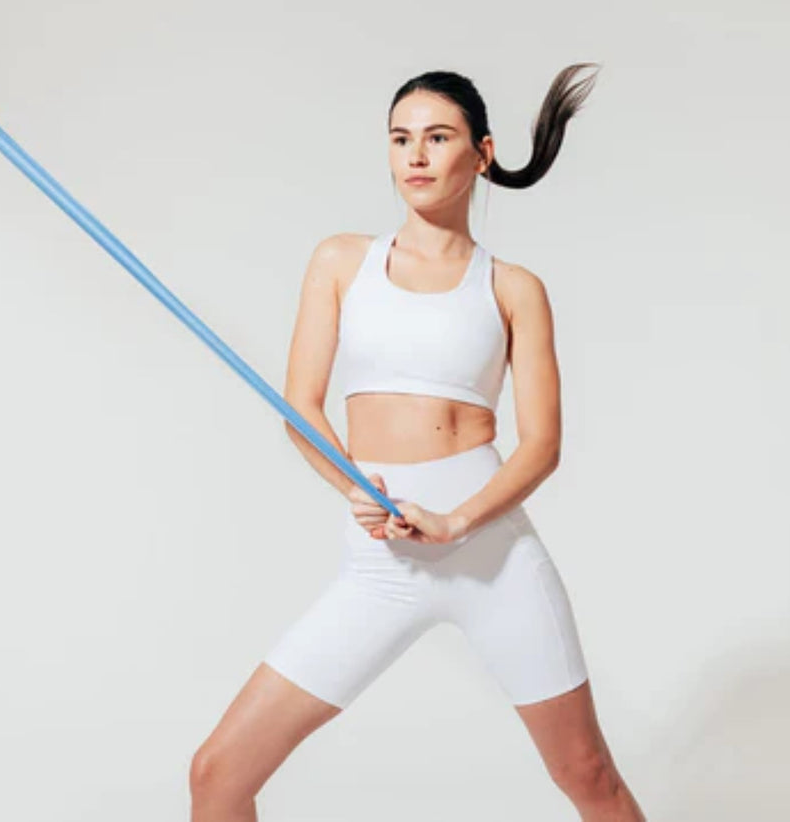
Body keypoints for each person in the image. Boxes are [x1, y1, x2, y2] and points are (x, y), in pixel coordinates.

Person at [189, 64, 647, 822]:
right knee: (218, 774)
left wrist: (455, 521)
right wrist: (355, 492)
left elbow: (542, 446)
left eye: (439, 138)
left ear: (483, 152)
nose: (417, 156)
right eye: (402, 139)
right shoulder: (342, 261)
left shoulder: (513, 288)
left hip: (490, 556)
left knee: (589, 775)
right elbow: (300, 408)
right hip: (382, 559)